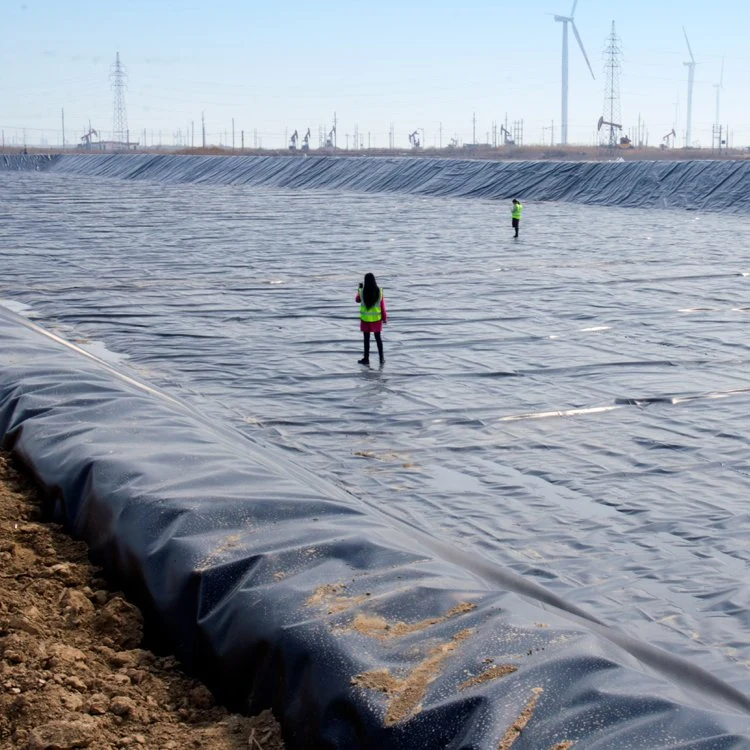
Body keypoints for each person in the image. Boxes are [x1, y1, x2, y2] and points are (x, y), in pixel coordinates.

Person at [355, 272, 386, 366]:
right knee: (378, 339)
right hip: (376, 319)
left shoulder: (362, 292)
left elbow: (357, 300)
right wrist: (384, 318)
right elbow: (382, 307)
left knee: (366, 340)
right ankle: (381, 358)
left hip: (365, 320)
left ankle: (366, 358)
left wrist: (359, 289)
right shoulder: (379, 291)